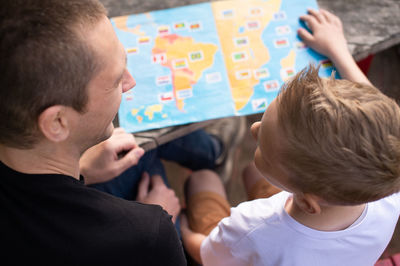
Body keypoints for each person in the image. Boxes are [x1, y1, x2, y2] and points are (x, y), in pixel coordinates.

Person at [0, 0, 222, 264]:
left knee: (141, 151)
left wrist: (83, 171)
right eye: (117, 79)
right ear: (57, 122)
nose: (130, 82)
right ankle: (216, 153)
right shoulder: (147, 234)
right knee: (150, 156)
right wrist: (155, 214)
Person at [180, 8, 400, 266]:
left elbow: (207, 254)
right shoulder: (386, 179)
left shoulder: (251, 227)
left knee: (203, 179)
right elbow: (378, 120)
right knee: (253, 170)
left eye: (264, 146)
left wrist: (182, 230)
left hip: (228, 248)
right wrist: (338, 50)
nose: (255, 129)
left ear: (308, 202)